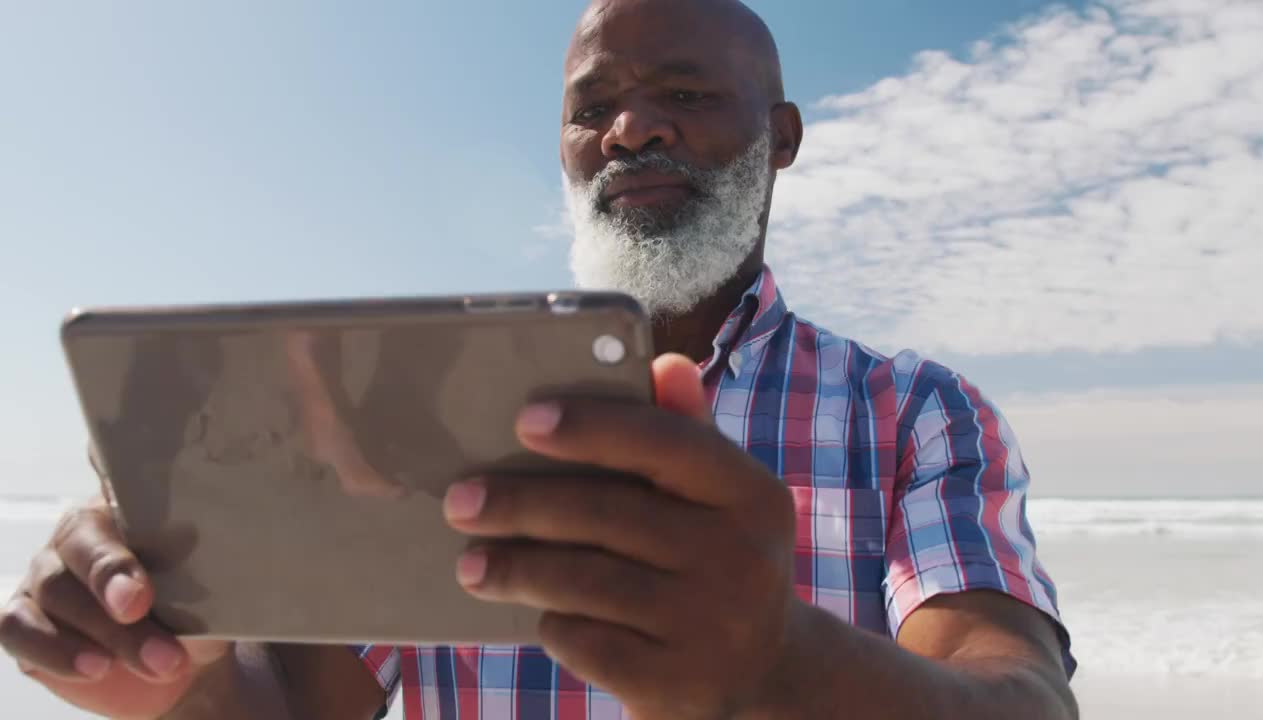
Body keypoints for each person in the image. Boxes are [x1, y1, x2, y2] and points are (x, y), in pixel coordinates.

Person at [1, 0, 1078, 717]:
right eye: (591, 109)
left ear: (780, 135)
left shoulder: (910, 413)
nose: (629, 132)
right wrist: (165, 668)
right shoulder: (414, 412)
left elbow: (1018, 695)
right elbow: (287, 703)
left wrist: (776, 659)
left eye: (685, 96)